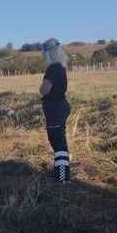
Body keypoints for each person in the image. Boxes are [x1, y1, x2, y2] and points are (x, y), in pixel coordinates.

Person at [39, 38, 71, 183]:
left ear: (47, 54)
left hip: (55, 109)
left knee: (58, 143)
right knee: (59, 142)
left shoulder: (53, 68)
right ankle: (61, 173)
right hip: (60, 107)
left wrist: (41, 88)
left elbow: (45, 89)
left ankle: (63, 178)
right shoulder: (61, 67)